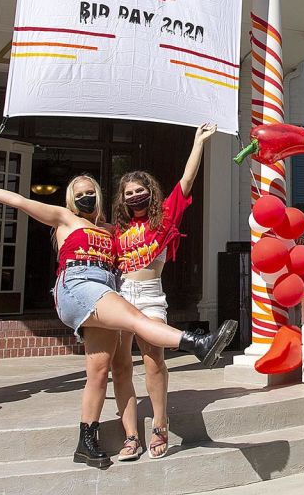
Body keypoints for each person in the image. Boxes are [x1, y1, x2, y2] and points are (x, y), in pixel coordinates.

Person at [0, 169, 237, 469]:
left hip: (106, 287)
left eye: (90, 193)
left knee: (100, 371)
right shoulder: (64, 218)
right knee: (137, 320)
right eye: (80, 194)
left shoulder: (110, 229)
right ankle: (196, 342)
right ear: (71, 200)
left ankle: (86, 442)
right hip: (78, 284)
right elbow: (21, 202)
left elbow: (142, 235)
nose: (86, 197)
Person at [110, 122, 217, 461]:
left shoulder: (165, 217)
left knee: (154, 359)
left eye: (139, 191)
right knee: (120, 364)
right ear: (122, 200)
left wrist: (197, 142)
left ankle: (159, 423)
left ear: (150, 193)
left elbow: (186, 181)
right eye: (128, 193)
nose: (134, 197)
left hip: (151, 294)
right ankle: (130, 434)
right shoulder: (117, 230)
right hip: (121, 294)